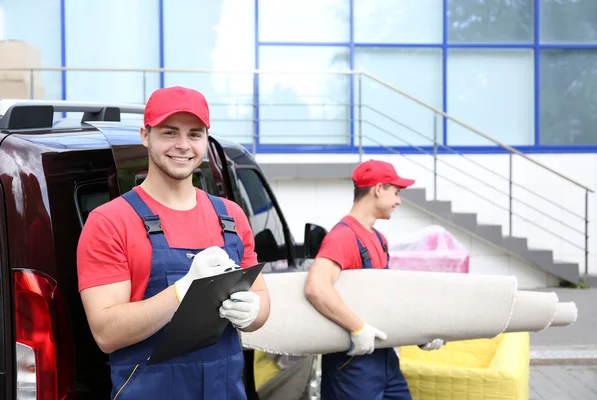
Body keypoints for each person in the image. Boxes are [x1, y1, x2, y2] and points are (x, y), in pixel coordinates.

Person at [77, 86, 270, 400]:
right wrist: (183, 290)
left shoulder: (231, 217)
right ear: (145, 135)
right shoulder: (111, 222)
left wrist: (255, 311)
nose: (183, 146)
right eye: (170, 132)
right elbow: (106, 332)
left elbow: (261, 299)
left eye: (195, 134)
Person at [304, 159, 445, 400]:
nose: (399, 201)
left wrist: (421, 332)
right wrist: (357, 328)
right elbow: (316, 287)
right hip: (352, 364)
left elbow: (386, 301)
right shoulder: (343, 237)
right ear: (378, 189)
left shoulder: (379, 239)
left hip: (385, 359)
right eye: (396, 192)